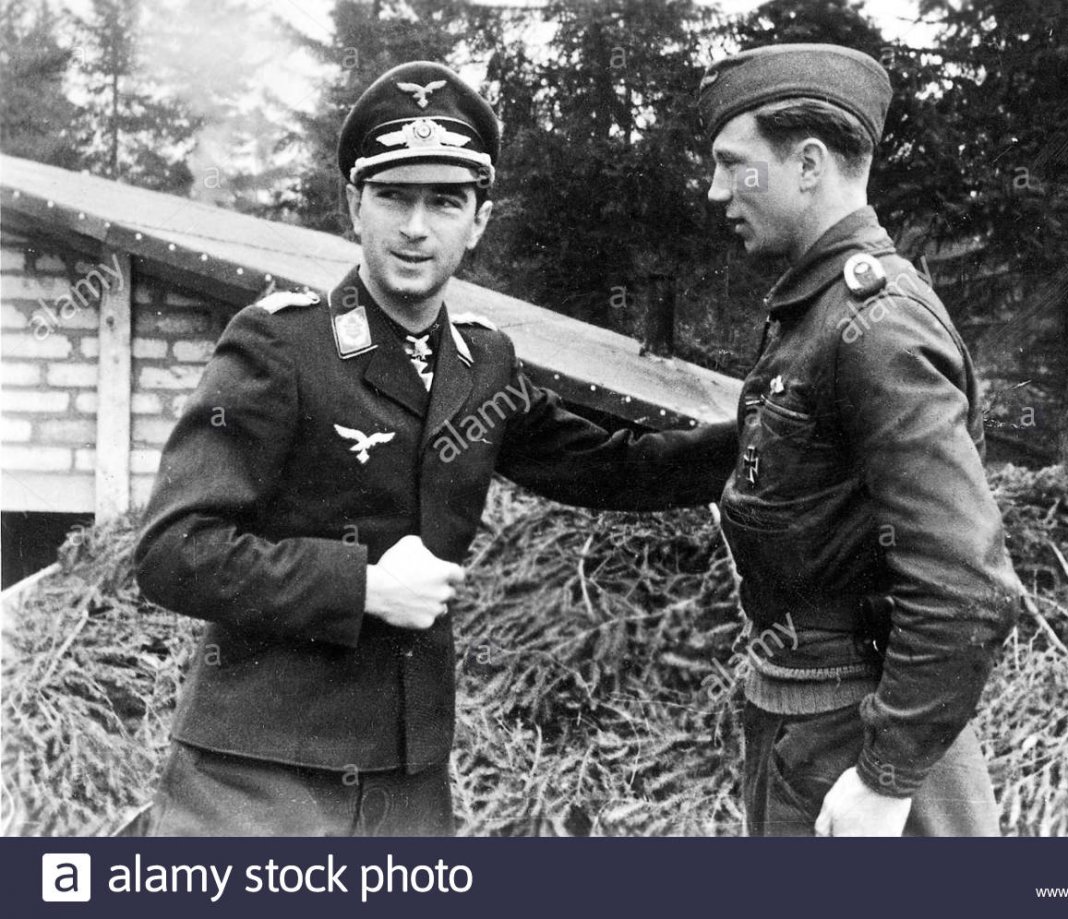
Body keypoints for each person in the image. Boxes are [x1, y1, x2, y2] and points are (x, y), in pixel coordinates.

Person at [133, 61, 737, 836]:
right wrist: (361, 586)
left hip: (408, 778)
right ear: (355, 205)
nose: (416, 228)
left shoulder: (482, 363)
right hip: (256, 779)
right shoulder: (281, 345)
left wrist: (773, 431)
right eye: (393, 196)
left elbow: (612, 465)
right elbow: (174, 549)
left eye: (445, 201)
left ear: (479, 220)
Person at [697, 43, 1023, 836]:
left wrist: (886, 775)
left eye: (733, 165)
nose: (716, 191)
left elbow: (968, 584)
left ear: (809, 164)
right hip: (808, 722)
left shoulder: (874, 323)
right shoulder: (819, 312)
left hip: (855, 741)